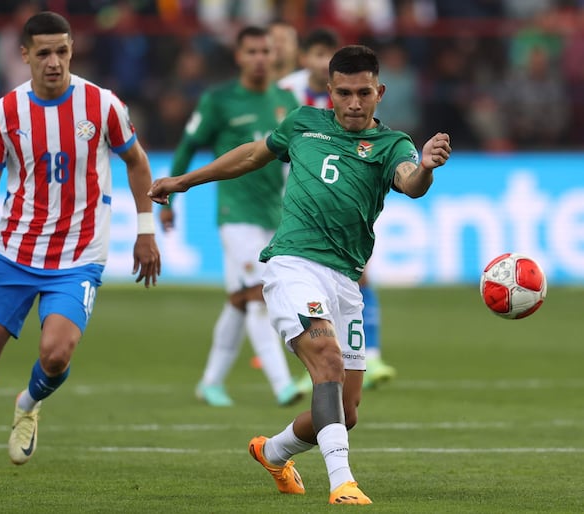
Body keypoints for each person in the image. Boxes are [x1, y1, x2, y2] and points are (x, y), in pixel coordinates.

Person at [149, 44, 451, 505]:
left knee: (346, 411)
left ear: (380, 92)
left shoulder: (393, 145)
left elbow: (410, 182)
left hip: (346, 280)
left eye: (364, 93)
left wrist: (426, 168)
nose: (354, 103)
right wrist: (183, 181)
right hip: (293, 265)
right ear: (328, 91)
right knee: (326, 361)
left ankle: (272, 452)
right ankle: (342, 482)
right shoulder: (303, 125)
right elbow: (252, 155)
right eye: (344, 92)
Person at [0, 11, 161, 478]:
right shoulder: (5, 112)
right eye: (44, 52)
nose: (55, 62)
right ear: (24, 54)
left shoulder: (102, 104)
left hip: (80, 254)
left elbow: (138, 163)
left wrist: (146, 230)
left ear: (73, 51)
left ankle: (28, 403)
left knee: (55, 353)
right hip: (14, 252)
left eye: (63, 51)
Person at [159, 25, 302, 408]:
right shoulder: (219, 100)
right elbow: (189, 145)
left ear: (274, 56)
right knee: (258, 295)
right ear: (239, 56)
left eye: (265, 51)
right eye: (251, 51)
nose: (259, 58)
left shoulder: (286, 100)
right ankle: (282, 385)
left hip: (275, 212)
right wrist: (171, 197)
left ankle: (210, 382)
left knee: (240, 298)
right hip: (235, 213)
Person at [280, 28, 397, 390]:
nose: (353, 100)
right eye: (314, 53)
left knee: (358, 274)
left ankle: (368, 356)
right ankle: (313, 366)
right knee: (293, 287)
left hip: (341, 195)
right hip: (295, 194)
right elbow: (264, 144)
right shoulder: (288, 95)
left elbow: (409, 178)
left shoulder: (380, 135)